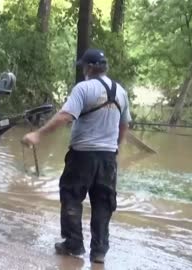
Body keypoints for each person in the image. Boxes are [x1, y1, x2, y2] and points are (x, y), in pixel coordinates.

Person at [22, 48, 132, 264]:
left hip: (82, 155)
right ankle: (99, 251)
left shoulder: (83, 88)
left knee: (71, 197)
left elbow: (65, 116)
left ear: (89, 68)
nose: (83, 70)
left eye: (84, 66)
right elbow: (124, 125)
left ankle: (73, 244)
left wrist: (38, 134)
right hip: (108, 158)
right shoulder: (120, 91)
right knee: (103, 202)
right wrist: (115, 148)